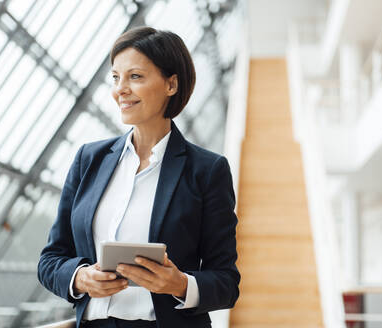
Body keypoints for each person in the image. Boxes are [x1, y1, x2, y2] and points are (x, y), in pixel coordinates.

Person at [37, 26, 240, 328]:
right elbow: (51, 259)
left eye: (135, 77)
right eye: (116, 77)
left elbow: (226, 283)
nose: (120, 89)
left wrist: (179, 284)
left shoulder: (207, 171)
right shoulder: (88, 160)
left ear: (171, 84)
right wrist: (81, 278)